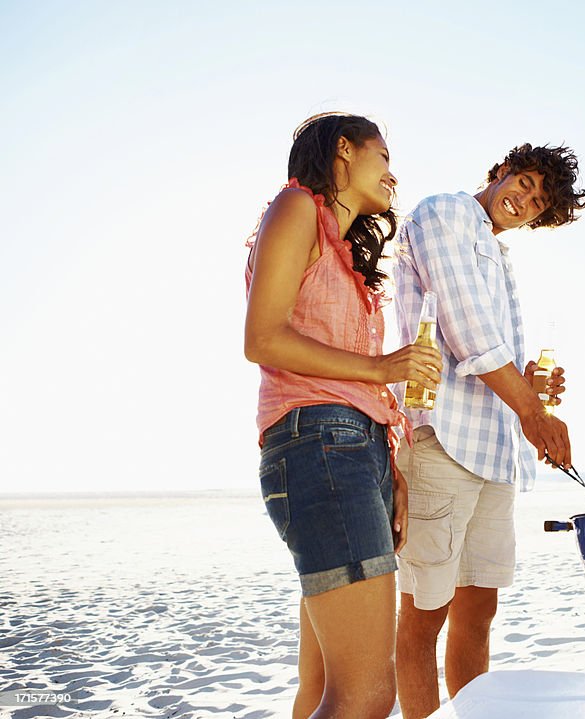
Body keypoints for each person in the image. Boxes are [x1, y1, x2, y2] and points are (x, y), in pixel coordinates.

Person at [243, 113, 442, 719]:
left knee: (323, 687)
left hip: (353, 451)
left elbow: (350, 381)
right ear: (343, 152)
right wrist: (386, 369)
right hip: (321, 447)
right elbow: (263, 338)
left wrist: (392, 469)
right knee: (367, 696)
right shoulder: (296, 207)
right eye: (384, 155)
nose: (393, 172)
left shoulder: (346, 253)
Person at [392, 143, 585, 718]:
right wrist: (533, 411)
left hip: (493, 451)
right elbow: (466, 325)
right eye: (523, 183)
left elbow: (490, 348)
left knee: (478, 614)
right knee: (425, 613)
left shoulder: (499, 256)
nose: (523, 201)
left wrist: (528, 390)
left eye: (538, 204)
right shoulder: (446, 213)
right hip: (444, 440)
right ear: (501, 172)